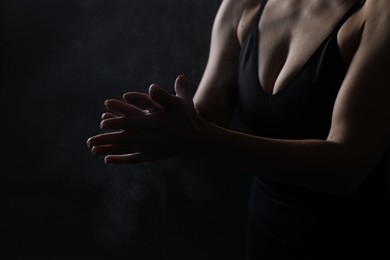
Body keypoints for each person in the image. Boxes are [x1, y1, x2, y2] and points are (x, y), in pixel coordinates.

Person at [87, 0, 390, 258]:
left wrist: (199, 138)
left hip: (351, 238)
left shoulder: (377, 13)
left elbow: (345, 169)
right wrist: (168, 121)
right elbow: (209, 119)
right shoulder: (245, 4)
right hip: (266, 233)